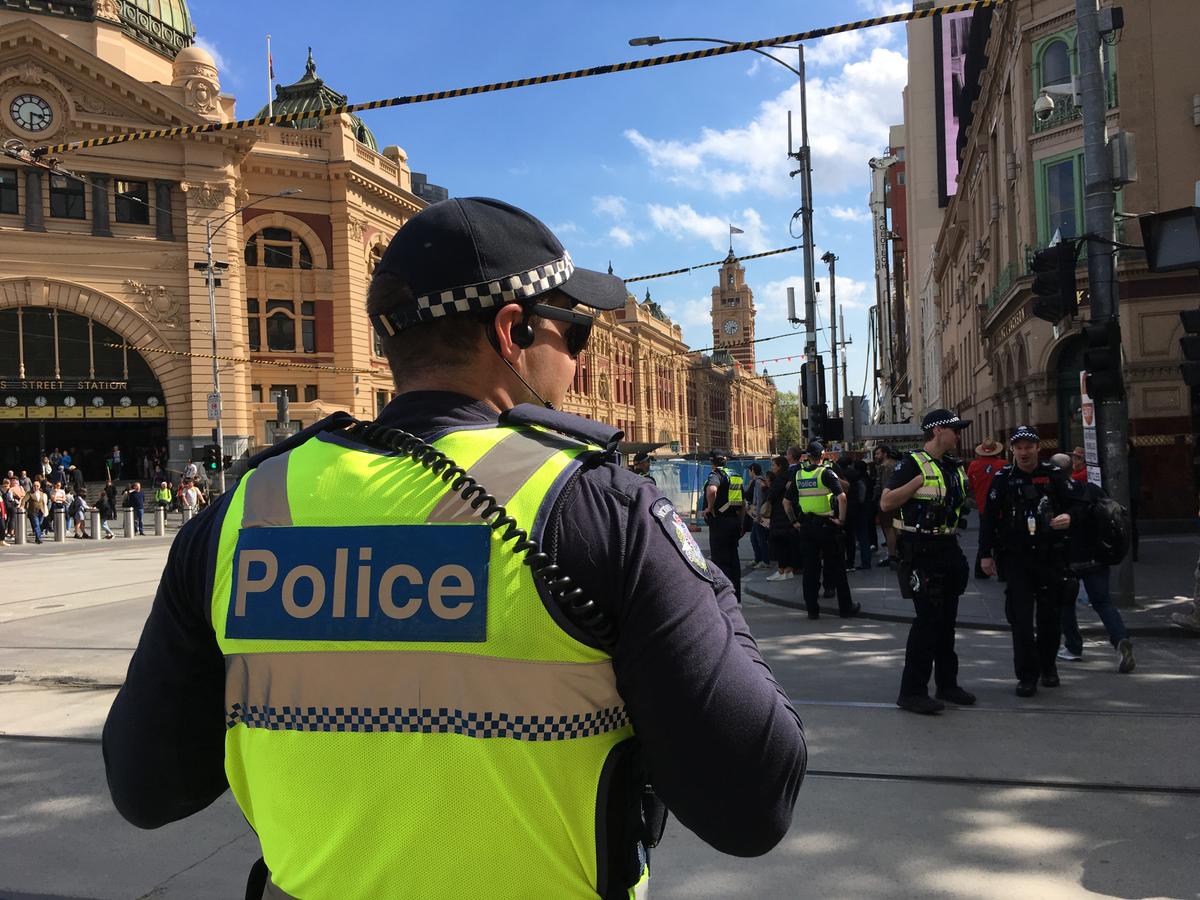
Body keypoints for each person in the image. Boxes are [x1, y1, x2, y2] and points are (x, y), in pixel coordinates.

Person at [103, 196, 806, 898]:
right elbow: (752, 802)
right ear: (512, 331)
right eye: (575, 334)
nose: (578, 364)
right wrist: (707, 584)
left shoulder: (244, 513)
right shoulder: (598, 509)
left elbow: (147, 788)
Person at [881, 410, 976, 714]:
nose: (958, 435)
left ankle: (947, 684)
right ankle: (912, 691)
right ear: (937, 431)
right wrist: (915, 484)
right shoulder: (912, 464)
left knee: (947, 622)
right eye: (954, 429)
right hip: (921, 550)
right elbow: (886, 502)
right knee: (927, 623)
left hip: (947, 546)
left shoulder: (952, 466)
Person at [979, 426, 1074, 697]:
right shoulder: (1003, 477)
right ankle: (1026, 676)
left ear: (1037, 448)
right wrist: (985, 554)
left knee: (1050, 617)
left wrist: (1070, 518)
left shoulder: (1053, 475)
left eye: (1028, 447)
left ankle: (1049, 667)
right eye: (1018, 447)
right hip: (1016, 558)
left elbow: (1079, 504)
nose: (1023, 452)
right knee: (1020, 620)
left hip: (1050, 556)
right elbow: (989, 518)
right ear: (1012, 450)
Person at [1049, 453, 1135, 673]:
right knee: (1103, 603)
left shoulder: (1055, 495)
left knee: (1066, 604)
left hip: (1069, 557)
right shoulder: (1092, 490)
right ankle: (1120, 640)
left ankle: (1073, 647)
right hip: (1097, 556)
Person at [785, 441, 859, 620]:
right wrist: (841, 520)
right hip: (827, 526)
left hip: (806, 528)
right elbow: (842, 497)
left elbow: (786, 502)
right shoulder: (826, 473)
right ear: (823, 455)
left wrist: (794, 522)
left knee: (810, 570)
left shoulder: (799, 475)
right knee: (837, 568)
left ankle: (812, 610)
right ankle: (845, 608)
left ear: (807, 456)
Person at [704, 449, 745, 602]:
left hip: (720, 523)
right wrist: (741, 524)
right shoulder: (735, 475)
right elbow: (742, 504)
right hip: (734, 522)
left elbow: (712, 489)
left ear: (712, 461)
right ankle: (736, 596)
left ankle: (725, 599)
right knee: (734, 560)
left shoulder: (715, 475)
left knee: (721, 562)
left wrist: (709, 507)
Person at [967, 438, 1006, 579]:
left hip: (983, 507)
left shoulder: (974, 465)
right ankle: (1002, 572)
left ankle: (981, 570)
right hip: (1001, 508)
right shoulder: (1003, 465)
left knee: (984, 538)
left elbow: (970, 486)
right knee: (1002, 539)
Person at [766, 455, 796, 582]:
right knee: (787, 544)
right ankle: (787, 569)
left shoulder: (779, 480)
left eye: (774, 465)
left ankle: (782, 570)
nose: (772, 468)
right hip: (787, 516)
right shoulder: (790, 477)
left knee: (779, 544)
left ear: (780, 466)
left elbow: (771, 496)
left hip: (779, 516)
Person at [873, 445, 901, 567]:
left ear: (885, 454)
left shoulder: (885, 467)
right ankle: (900, 553)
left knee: (889, 529)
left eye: (878, 454)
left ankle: (892, 556)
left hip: (888, 502)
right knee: (897, 528)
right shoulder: (898, 465)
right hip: (899, 500)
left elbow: (884, 486)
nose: (876, 456)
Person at [745, 462, 771, 570]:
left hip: (759, 514)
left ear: (753, 470)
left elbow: (759, 498)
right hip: (758, 513)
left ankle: (764, 561)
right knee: (755, 538)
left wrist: (758, 514)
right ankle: (758, 559)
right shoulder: (761, 480)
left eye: (749, 471)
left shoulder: (758, 482)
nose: (749, 473)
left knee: (759, 538)